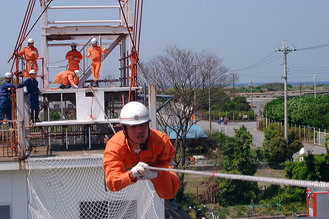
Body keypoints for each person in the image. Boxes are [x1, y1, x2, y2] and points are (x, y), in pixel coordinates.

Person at [103, 101, 180, 199]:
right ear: (124, 128)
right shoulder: (115, 147)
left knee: (168, 193)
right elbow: (112, 182)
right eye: (133, 126)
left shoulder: (162, 142)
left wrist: (156, 172)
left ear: (148, 125)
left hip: (155, 166)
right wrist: (131, 175)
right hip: (128, 169)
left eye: (143, 125)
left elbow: (167, 159)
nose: (139, 131)